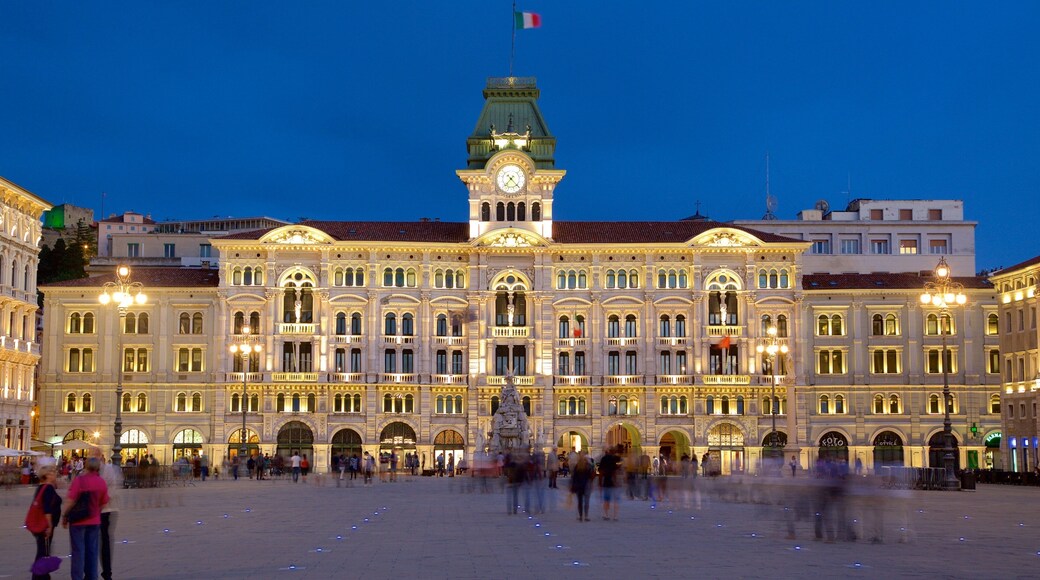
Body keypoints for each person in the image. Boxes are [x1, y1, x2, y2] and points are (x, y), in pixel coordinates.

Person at [62, 457, 110, 580]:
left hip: (78, 521)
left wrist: (65, 515)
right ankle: (92, 576)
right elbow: (104, 503)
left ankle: (77, 577)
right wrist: (95, 511)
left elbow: (70, 500)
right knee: (92, 551)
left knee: (78, 552)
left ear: (86, 466)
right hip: (94, 521)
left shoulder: (79, 480)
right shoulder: (101, 482)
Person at [30, 461, 61, 580]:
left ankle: (41, 575)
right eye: (52, 473)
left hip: (40, 524)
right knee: (43, 551)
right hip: (45, 525)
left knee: (43, 550)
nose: (55, 475)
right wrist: (49, 525)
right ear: (47, 475)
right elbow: (47, 508)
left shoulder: (41, 487)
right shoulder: (48, 488)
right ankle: (39, 576)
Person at [99, 459, 123, 580]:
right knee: (104, 540)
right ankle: (106, 572)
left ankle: (107, 572)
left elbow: (113, 488)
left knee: (104, 540)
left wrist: (103, 500)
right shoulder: (90, 472)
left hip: (107, 509)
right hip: (102, 509)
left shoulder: (109, 470)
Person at [600, 446, 622, 521]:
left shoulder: (604, 458)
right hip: (614, 481)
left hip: (606, 481)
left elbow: (600, 471)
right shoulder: (616, 459)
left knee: (606, 499)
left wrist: (600, 481)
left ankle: (606, 515)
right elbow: (616, 470)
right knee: (615, 500)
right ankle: (615, 516)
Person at [570, 452, 592, 521]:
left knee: (580, 501)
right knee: (586, 501)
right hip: (586, 485)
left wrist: (573, 486)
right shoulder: (587, 466)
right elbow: (590, 476)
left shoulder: (577, 467)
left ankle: (580, 516)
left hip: (579, 486)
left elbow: (574, 477)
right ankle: (586, 516)